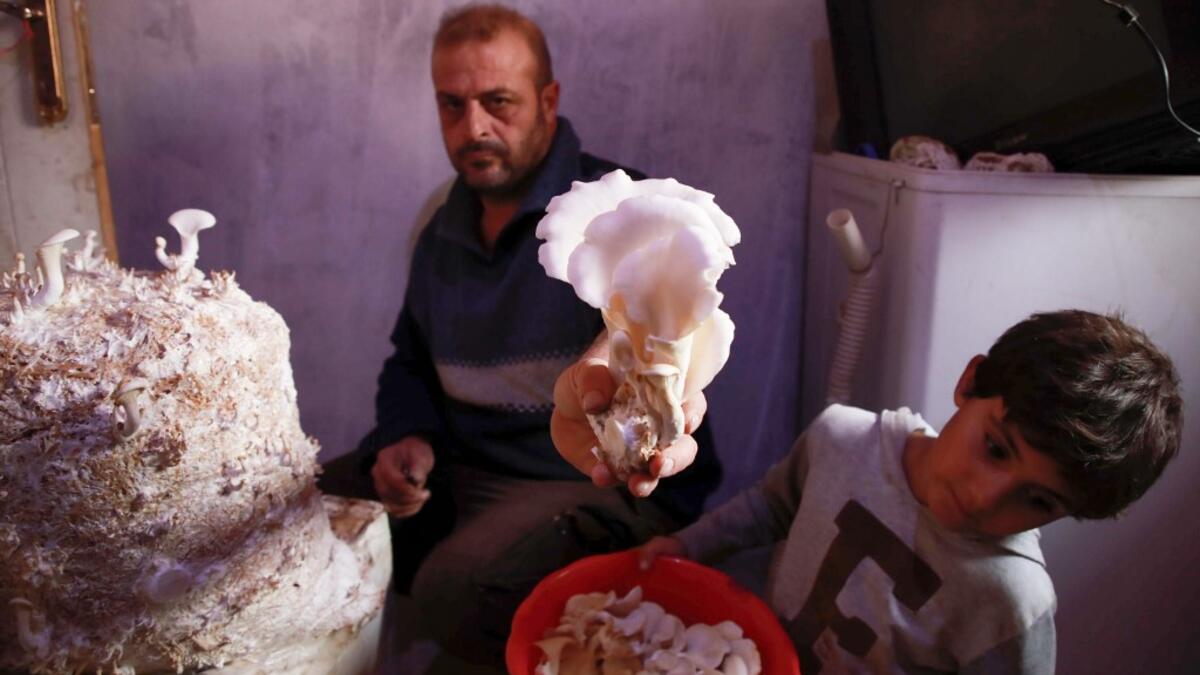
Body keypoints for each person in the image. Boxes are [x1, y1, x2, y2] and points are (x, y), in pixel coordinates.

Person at [319, 4, 721, 668]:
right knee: (299, 509)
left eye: (497, 102)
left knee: (458, 586)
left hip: (583, 483)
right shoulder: (440, 222)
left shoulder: (624, 215)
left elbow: (670, 368)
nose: (473, 126)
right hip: (463, 466)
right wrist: (404, 437)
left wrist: (641, 377)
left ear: (547, 99)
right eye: (452, 105)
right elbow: (410, 359)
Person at [559, 309, 1182, 674]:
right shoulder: (843, 437)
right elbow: (770, 506)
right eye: (996, 447)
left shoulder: (1013, 601)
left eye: (1038, 501)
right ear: (970, 382)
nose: (986, 496)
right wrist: (684, 547)